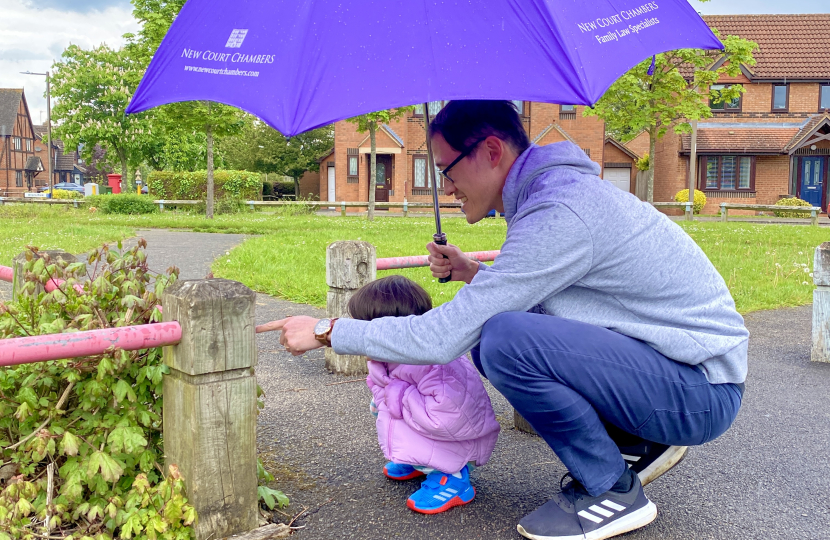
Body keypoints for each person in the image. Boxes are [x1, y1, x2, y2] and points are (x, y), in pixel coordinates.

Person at [265, 100, 748, 540]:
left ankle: (611, 490)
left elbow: (445, 337)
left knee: (501, 339)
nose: (447, 188)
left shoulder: (558, 211)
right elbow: (552, 303)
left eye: (447, 171)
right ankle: (640, 440)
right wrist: (475, 273)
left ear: (491, 150)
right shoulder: (554, 197)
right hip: (676, 371)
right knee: (501, 328)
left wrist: (327, 330)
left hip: (698, 391)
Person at [347, 275, 500, 514]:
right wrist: (381, 400)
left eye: (365, 331)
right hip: (426, 419)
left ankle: (453, 477)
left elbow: (446, 418)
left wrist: (394, 396)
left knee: (398, 412)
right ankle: (420, 461)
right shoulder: (391, 357)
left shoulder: (431, 366)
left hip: (456, 437)